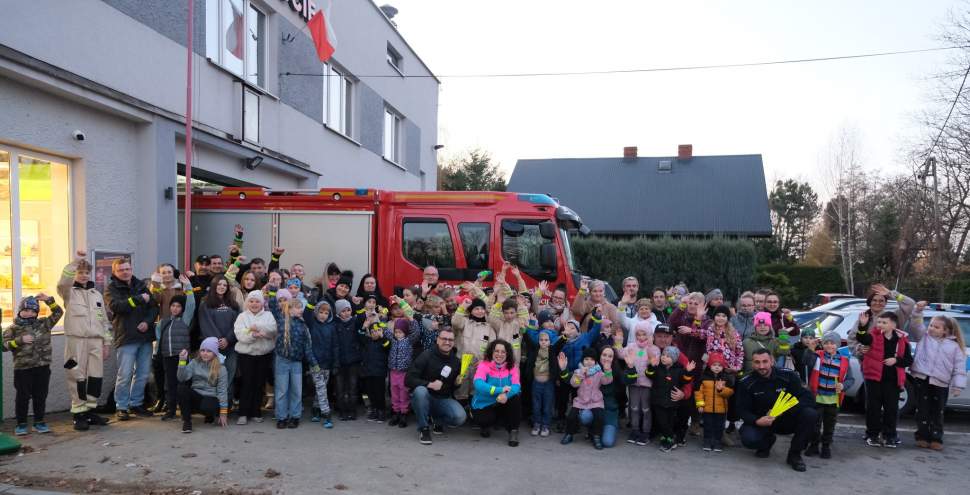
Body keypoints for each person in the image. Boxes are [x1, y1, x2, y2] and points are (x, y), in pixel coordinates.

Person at [737, 348, 817, 472]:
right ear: (752, 364)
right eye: (757, 362)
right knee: (749, 438)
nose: (761, 366)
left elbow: (808, 398)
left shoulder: (789, 376)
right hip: (763, 422)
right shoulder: (746, 383)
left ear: (772, 361)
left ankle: (794, 455)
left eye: (765, 361)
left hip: (787, 419)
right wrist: (757, 421)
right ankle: (766, 442)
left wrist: (784, 410)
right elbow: (742, 410)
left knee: (810, 414)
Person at [57, 251, 113, 431]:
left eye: (86, 272)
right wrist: (75, 262)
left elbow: (104, 320)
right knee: (76, 375)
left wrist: (107, 343)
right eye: (80, 272)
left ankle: (90, 411)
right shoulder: (68, 292)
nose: (83, 275)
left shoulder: (96, 294)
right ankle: (78, 414)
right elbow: (63, 281)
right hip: (77, 341)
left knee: (95, 376)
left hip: (96, 341)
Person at [105, 259, 159, 421]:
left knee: (142, 374)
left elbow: (154, 307)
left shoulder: (140, 285)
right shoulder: (111, 289)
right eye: (121, 270)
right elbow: (117, 306)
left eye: (127, 268)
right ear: (114, 272)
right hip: (126, 337)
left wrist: (147, 322)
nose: (125, 272)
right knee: (125, 374)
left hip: (145, 337)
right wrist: (139, 299)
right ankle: (121, 407)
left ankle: (136, 404)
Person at [4, 294, 63, 435]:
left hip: (42, 367)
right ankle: (21, 424)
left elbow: (58, 312)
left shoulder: (44, 324)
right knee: (23, 396)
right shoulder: (12, 328)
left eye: (33, 311)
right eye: (26, 310)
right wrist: (19, 341)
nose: (29, 313)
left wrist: (49, 300)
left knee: (40, 396)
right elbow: (4, 346)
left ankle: (39, 422)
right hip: (23, 369)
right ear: (20, 310)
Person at [909, 315, 967, 451]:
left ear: (945, 331)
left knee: (937, 411)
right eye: (931, 325)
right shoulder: (924, 338)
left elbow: (959, 367)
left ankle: (936, 438)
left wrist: (958, 385)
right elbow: (916, 325)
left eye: (936, 327)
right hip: (922, 379)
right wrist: (917, 311)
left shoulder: (954, 347)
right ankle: (922, 436)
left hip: (941, 383)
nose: (931, 328)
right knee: (922, 410)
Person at [855, 311, 912, 448]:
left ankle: (890, 435)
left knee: (891, 409)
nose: (880, 325)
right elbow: (862, 339)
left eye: (884, 322)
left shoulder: (902, 339)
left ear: (893, 324)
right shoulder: (873, 336)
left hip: (893, 380)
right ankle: (872, 434)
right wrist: (862, 326)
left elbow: (908, 360)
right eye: (879, 322)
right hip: (873, 378)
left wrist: (896, 360)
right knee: (873, 408)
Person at [268, 289, 319, 429]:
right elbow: (272, 305)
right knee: (282, 390)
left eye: (301, 308)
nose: (300, 310)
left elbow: (307, 347)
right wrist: (273, 290)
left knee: (296, 390)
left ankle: (295, 416)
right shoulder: (281, 319)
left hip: (297, 362)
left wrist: (313, 363)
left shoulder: (302, 326)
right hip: (282, 360)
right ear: (289, 309)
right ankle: (281, 417)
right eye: (297, 308)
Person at [406, 328, 467, 445]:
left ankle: (437, 421)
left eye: (450, 340)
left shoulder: (456, 362)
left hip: (442, 399)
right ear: (437, 340)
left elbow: (452, 389)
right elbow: (408, 379)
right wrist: (429, 384)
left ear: (453, 342)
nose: (447, 342)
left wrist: (457, 384)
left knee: (460, 417)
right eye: (444, 339)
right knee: (420, 391)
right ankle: (424, 429)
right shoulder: (426, 355)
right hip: (424, 396)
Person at [804, 331, 855, 459]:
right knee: (815, 424)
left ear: (837, 345)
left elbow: (850, 379)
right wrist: (810, 349)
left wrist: (843, 386)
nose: (829, 346)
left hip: (833, 400)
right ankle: (814, 445)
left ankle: (826, 446)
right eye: (826, 343)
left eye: (832, 343)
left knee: (829, 425)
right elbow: (806, 361)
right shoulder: (818, 356)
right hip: (817, 397)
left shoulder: (844, 361)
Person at [233, 290, 277, 425]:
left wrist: (257, 327)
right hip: (246, 355)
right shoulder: (242, 317)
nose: (254, 304)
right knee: (247, 383)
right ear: (247, 303)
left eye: (257, 301)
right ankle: (243, 413)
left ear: (262, 303)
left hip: (264, 355)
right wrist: (252, 335)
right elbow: (239, 334)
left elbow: (273, 329)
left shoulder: (269, 315)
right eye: (251, 301)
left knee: (259, 384)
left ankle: (256, 412)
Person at [155, 285, 197, 422]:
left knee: (183, 382)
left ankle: (185, 409)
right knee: (170, 383)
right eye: (173, 305)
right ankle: (171, 410)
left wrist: (189, 288)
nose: (175, 308)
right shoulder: (163, 322)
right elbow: (159, 339)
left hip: (182, 357)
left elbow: (191, 304)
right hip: (168, 357)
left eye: (178, 306)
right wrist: (157, 354)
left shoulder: (185, 320)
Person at [471, 339, 522, 447]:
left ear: (507, 354)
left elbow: (516, 386)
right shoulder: (484, 365)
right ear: (491, 352)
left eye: (503, 352)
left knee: (515, 399)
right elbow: (478, 384)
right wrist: (499, 390)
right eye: (496, 351)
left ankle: (513, 431)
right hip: (485, 403)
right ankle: (486, 426)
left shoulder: (512, 367)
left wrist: (506, 395)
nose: (500, 354)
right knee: (483, 420)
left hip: (502, 400)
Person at [560, 347, 614, 450]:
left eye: (592, 360)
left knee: (599, 416)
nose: (589, 362)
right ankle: (569, 434)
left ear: (595, 361)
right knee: (571, 416)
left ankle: (596, 436)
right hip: (581, 401)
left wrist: (607, 370)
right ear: (582, 361)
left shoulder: (598, 372)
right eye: (586, 359)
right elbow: (574, 384)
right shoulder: (578, 371)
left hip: (595, 401)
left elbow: (607, 381)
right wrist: (581, 374)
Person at [199, 276, 241, 406]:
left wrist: (228, 339)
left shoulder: (233, 304)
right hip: (213, 349)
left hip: (231, 347)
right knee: (213, 376)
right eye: (219, 284)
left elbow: (238, 324)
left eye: (224, 285)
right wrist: (218, 341)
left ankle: (225, 405)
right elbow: (206, 324)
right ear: (214, 286)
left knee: (229, 375)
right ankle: (212, 406)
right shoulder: (205, 303)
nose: (222, 287)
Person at [848, 284, 920, 356]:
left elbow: (910, 304)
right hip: (868, 364)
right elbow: (852, 341)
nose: (877, 303)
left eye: (881, 301)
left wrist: (891, 293)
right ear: (870, 302)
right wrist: (859, 348)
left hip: (890, 363)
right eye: (874, 300)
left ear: (885, 303)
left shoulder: (894, 316)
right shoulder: (863, 319)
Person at [647, 346, 695, 452]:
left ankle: (667, 439)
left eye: (668, 356)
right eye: (663, 355)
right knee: (662, 421)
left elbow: (685, 380)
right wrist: (651, 366)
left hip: (672, 402)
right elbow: (649, 375)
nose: (664, 358)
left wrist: (688, 372)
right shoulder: (658, 367)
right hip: (658, 401)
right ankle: (670, 438)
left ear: (674, 359)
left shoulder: (679, 370)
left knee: (669, 422)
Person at [176, 337, 229, 433]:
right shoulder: (194, 363)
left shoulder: (221, 369)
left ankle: (210, 415)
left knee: (208, 406)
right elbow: (181, 378)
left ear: (215, 353)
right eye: (203, 350)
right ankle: (187, 422)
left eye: (209, 351)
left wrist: (223, 413)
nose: (205, 353)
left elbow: (222, 391)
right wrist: (182, 361)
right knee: (181, 388)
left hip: (211, 397)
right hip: (196, 395)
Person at [622, 321, 660, 446]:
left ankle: (646, 432)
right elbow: (621, 353)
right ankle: (635, 430)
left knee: (645, 409)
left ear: (649, 334)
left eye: (644, 334)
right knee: (634, 408)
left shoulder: (653, 348)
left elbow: (656, 363)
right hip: (634, 383)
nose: (641, 337)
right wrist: (617, 343)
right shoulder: (632, 346)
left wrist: (652, 362)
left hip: (647, 384)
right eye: (638, 334)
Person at [452, 297, 495, 401]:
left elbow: (493, 348)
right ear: (471, 310)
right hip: (462, 363)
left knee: (476, 390)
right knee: (461, 389)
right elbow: (455, 322)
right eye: (476, 309)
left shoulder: (489, 327)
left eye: (482, 308)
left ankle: (474, 410)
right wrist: (462, 307)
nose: (480, 311)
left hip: (478, 365)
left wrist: (485, 360)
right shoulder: (465, 322)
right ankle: (461, 408)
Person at [304, 300, 337, 428]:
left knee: (321, 388)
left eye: (326, 312)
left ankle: (316, 409)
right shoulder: (312, 324)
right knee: (321, 388)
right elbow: (307, 315)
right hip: (315, 363)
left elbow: (335, 346)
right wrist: (311, 302)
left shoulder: (331, 327)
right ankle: (326, 414)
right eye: (321, 312)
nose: (323, 315)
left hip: (327, 363)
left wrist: (335, 363)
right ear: (316, 313)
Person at [523, 319, 558, 437]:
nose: (543, 342)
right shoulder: (535, 349)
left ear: (550, 341)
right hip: (536, 383)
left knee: (547, 406)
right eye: (541, 340)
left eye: (546, 340)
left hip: (548, 383)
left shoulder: (552, 350)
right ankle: (537, 424)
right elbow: (528, 339)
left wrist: (564, 337)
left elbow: (560, 343)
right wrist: (525, 330)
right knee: (536, 405)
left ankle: (546, 425)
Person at [386, 316, 422, 428]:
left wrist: (412, 320)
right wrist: (381, 318)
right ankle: (395, 412)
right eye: (396, 332)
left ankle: (403, 413)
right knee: (394, 392)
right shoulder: (392, 339)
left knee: (403, 393)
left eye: (400, 332)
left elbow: (416, 332)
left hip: (404, 372)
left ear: (405, 332)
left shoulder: (409, 341)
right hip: (393, 371)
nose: (397, 334)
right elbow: (385, 331)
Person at [695, 352, 735, 452]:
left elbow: (730, 392)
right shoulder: (704, 378)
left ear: (723, 367)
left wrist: (721, 390)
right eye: (714, 365)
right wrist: (700, 404)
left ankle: (717, 442)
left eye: (719, 365)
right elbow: (699, 393)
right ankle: (707, 441)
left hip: (721, 410)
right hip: (707, 409)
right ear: (709, 365)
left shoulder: (726, 378)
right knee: (707, 425)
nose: (717, 367)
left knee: (719, 427)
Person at [333, 299, 365, 420]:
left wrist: (358, 305)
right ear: (338, 313)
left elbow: (362, 317)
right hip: (340, 362)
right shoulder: (336, 325)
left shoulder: (355, 322)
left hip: (353, 361)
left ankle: (352, 410)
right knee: (340, 389)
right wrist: (335, 362)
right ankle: (342, 410)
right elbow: (335, 345)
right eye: (343, 311)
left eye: (348, 310)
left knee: (352, 387)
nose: (346, 313)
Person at [361, 319, 391, 423]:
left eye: (378, 330)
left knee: (380, 393)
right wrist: (364, 327)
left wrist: (382, 336)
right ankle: (374, 410)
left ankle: (381, 411)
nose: (375, 333)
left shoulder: (383, 341)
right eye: (373, 331)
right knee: (371, 392)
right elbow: (360, 336)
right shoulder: (368, 341)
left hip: (379, 372)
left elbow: (388, 346)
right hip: (369, 372)